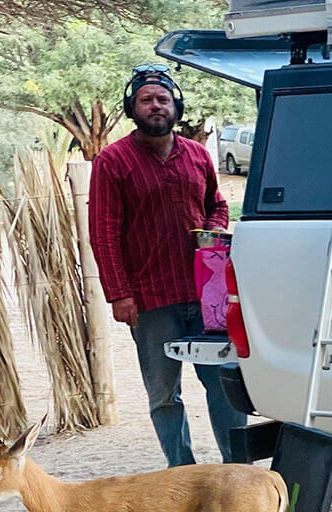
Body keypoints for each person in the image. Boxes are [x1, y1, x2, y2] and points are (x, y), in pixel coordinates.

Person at [89, 63, 246, 466]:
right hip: (150, 299)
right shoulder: (113, 162)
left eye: (162, 98)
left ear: (175, 105)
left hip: (204, 296)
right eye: (146, 100)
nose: (156, 106)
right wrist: (120, 295)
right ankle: (182, 472)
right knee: (163, 394)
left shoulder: (196, 155)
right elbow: (103, 232)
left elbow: (217, 203)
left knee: (224, 383)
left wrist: (210, 233)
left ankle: (238, 471)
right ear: (132, 108)